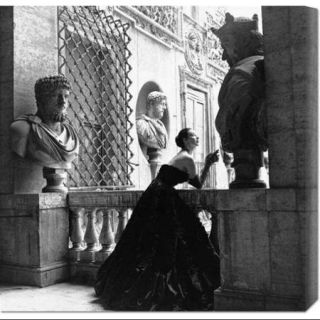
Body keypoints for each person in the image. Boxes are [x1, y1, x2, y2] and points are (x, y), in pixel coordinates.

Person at [95, 128, 220, 311]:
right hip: (163, 196)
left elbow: (188, 181)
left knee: (149, 239)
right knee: (166, 241)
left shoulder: (182, 156)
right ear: (185, 140)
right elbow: (198, 185)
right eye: (193, 136)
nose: (197, 137)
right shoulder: (187, 158)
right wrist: (209, 163)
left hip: (155, 193)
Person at [10, 75, 79, 169]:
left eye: (66, 96)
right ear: (41, 100)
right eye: (55, 96)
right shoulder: (23, 129)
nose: (63, 102)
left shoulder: (71, 133)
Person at [136, 91, 168, 158]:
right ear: (151, 104)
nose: (164, 108)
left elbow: (164, 145)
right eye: (162, 104)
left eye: (165, 105)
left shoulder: (162, 127)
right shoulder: (141, 124)